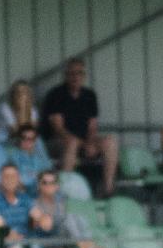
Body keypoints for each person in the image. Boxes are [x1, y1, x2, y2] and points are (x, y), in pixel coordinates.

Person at [26, 171, 132, 248]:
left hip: (62, 243)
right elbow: (45, 226)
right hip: (43, 243)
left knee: (78, 218)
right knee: (69, 219)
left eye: (52, 182)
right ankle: (86, 246)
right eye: (45, 183)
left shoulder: (59, 202)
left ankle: (88, 245)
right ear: (39, 185)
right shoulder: (34, 204)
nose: (49, 185)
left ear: (57, 186)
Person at [41, 57, 119, 198]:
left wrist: (89, 143)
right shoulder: (56, 94)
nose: (76, 77)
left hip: (82, 141)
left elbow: (92, 126)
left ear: (84, 76)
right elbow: (58, 128)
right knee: (72, 143)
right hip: (57, 142)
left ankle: (108, 189)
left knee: (110, 141)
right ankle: (64, 192)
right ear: (66, 75)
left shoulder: (89, 95)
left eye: (79, 73)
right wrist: (82, 144)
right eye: (72, 73)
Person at [0, 163, 33, 240]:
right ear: (1, 179)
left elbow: (37, 214)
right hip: (3, 243)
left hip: (26, 242)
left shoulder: (24, 197)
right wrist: (9, 233)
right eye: (6, 176)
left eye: (13, 176)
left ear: (18, 178)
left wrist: (42, 219)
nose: (10, 179)